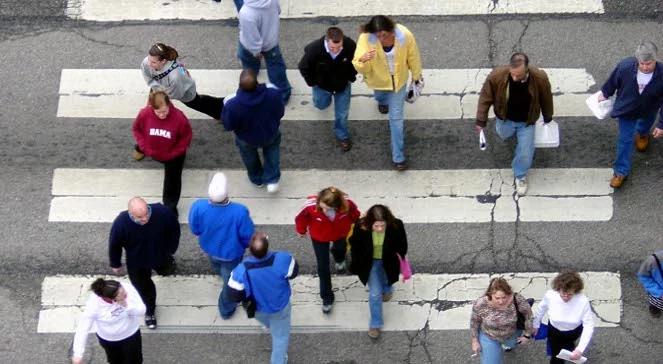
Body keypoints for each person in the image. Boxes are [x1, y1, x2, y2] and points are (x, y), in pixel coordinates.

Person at [475, 52, 554, 196]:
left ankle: (520, 175)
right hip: (505, 119)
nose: (515, 78)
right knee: (503, 133)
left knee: (525, 152)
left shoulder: (539, 78)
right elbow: (485, 97)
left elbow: (546, 98)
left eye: (519, 75)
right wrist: (481, 121)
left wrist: (548, 116)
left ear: (527, 69)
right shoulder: (497, 76)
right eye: (512, 74)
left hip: (526, 122)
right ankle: (513, 136)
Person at [352, 15, 423, 171]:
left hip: (399, 83)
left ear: (391, 30)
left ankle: (398, 157)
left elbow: (413, 56)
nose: (380, 39)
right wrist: (362, 61)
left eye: (383, 35)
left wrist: (416, 76)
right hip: (379, 81)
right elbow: (359, 66)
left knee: (396, 120)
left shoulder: (404, 35)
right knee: (380, 97)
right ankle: (382, 102)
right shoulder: (366, 38)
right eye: (377, 35)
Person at [189, 172, 255, 319]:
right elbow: (247, 236)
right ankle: (226, 309)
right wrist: (244, 246)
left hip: (210, 248)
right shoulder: (239, 211)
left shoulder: (198, 207)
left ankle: (220, 274)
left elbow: (195, 229)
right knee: (230, 283)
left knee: (217, 266)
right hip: (231, 254)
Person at [598, 41, 663, 188]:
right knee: (624, 140)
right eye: (642, 64)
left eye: (649, 63)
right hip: (627, 110)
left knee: (645, 126)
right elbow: (613, 81)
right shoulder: (625, 67)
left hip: (649, 109)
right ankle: (621, 171)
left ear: (655, 59)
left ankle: (642, 134)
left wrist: (661, 124)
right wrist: (605, 93)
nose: (645, 67)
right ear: (637, 60)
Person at [109, 197, 180, 329]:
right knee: (143, 288)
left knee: (166, 269)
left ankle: (167, 268)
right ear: (130, 213)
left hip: (160, 254)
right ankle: (150, 311)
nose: (145, 219)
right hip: (137, 261)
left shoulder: (163, 213)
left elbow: (174, 230)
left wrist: (170, 249)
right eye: (140, 217)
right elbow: (115, 244)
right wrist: (115, 263)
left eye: (146, 213)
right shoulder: (121, 223)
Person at [228, 232, 299, 364]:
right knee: (280, 337)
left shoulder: (241, 269)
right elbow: (294, 273)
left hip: (257, 309)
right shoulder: (282, 259)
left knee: (266, 321)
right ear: (267, 247)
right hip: (279, 307)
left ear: (250, 249)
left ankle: (267, 325)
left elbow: (234, 295)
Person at [294, 186, 360, 313]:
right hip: (319, 237)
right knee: (323, 267)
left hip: (340, 233)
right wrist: (301, 230)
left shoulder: (347, 204)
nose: (323, 210)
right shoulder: (310, 206)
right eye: (322, 206)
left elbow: (355, 214)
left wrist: (358, 222)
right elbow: (301, 218)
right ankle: (327, 297)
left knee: (340, 249)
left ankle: (340, 259)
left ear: (337, 205)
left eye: (327, 208)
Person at [348, 204, 408, 339]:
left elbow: (403, 244)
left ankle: (387, 288)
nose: (380, 229)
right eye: (376, 226)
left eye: (382, 225)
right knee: (375, 294)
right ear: (370, 223)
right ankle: (375, 323)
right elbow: (354, 245)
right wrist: (356, 262)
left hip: (389, 261)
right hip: (370, 263)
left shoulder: (396, 225)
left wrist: (400, 257)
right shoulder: (360, 226)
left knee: (388, 279)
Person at [222, 69, 285, 193]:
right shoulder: (273, 93)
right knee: (272, 153)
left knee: (249, 157)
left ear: (239, 85)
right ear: (257, 82)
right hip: (270, 132)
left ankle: (257, 179)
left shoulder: (232, 104)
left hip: (246, 138)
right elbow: (280, 112)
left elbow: (228, 125)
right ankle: (272, 179)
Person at [132, 90, 192, 215]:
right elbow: (137, 129)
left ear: (169, 105)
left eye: (164, 111)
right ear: (152, 108)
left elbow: (186, 137)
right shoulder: (144, 114)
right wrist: (144, 147)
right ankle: (139, 150)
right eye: (157, 112)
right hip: (153, 150)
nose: (161, 115)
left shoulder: (179, 118)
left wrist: (174, 153)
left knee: (172, 182)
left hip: (173, 156)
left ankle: (170, 208)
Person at [298, 26, 358, 152]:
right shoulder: (314, 49)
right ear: (327, 41)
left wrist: (351, 77)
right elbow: (303, 67)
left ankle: (342, 135)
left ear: (342, 40)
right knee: (320, 105)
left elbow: (356, 62)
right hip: (322, 86)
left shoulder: (350, 45)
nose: (336, 51)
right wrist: (312, 82)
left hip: (342, 86)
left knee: (342, 114)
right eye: (332, 48)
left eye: (339, 47)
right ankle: (322, 101)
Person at [140, 43, 225, 121]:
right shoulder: (147, 62)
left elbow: (176, 94)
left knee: (197, 103)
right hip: (159, 85)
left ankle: (220, 110)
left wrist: (161, 96)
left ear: (163, 61)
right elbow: (146, 74)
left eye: (153, 62)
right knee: (153, 104)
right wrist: (156, 88)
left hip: (184, 89)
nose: (149, 64)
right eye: (149, 59)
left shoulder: (176, 76)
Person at [71, 278, 145, 364]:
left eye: (124, 291)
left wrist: (127, 306)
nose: (126, 294)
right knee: (115, 361)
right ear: (110, 299)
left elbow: (142, 311)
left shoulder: (127, 287)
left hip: (131, 334)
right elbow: (83, 329)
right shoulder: (94, 307)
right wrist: (78, 355)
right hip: (109, 339)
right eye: (123, 295)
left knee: (135, 360)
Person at [533, 271, 595, 363]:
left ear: (575, 291)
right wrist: (536, 324)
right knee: (556, 356)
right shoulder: (550, 295)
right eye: (563, 293)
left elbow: (589, 325)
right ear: (558, 289)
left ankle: (569, 351)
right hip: (554, 331)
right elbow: (541, 309)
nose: (566, 297)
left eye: (570, 294)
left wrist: (580, 349)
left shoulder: (583, 301)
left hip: (573, 332)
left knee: (568, 347)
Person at [237, 0, 292, 104]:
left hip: (251, 47)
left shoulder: (246, 13)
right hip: (271, 42)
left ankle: (252, 79)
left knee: (247, 62)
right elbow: (278, 11)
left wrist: (256, 52)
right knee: (276, 68)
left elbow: (251, 38)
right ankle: (283, 95)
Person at [470, 277, 534, 364]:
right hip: (489, 336)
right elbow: (474, 322)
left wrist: (527, 335)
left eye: (504, 297)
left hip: (512, 333)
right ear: (490, 294)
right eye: (497, 298)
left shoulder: (517, 299)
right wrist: (475, 341)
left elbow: (528, 316)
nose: (501, 301)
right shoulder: (481, 303)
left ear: (509, 293)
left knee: (511, 344)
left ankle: (508, 345)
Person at [637, 249, 663, 318]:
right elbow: (643, 276)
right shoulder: (654, 260)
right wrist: (659, 293)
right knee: (655, 305)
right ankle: (654, 311)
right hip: (658, 295)